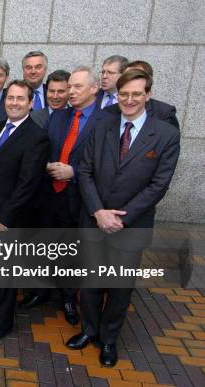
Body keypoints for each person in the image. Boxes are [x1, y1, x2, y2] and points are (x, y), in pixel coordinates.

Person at [67, 69, 180, 367]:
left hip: (131, 225)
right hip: (95, 218)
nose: (129, 100)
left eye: (136, 94)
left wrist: (121, 219)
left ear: (148, 95)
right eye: (124, 94)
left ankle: (109, 339)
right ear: (117, 96)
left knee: (119, 288)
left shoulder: (165, 133)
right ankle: (89, 330)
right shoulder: (102, 123)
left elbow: (159, 185)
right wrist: (98, 211)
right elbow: (86, 171)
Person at [0, 80, 50, 341]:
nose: (14, 103)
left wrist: (6, 216)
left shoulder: (37, 138)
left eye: (20, 99)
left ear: (31, 103)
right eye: (10, 98)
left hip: (10, 218)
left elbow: (28, 184)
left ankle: (2, 323)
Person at [22, 66, 106, 324]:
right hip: (50, 195)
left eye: (77, 87)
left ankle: (68, 297)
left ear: (94, 88)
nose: (71, 92)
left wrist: (75, 172)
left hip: (80, 198)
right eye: (70, 86)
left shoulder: (105, 121)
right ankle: (41, 290)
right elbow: (43, 148)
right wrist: (46, 165)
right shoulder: (58, 117)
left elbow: (106, 164)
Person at [104, 60, 179, 129]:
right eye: (127, 76)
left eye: (137, 76)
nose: (131, 79)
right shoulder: (109, 111)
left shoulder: (164, 112)